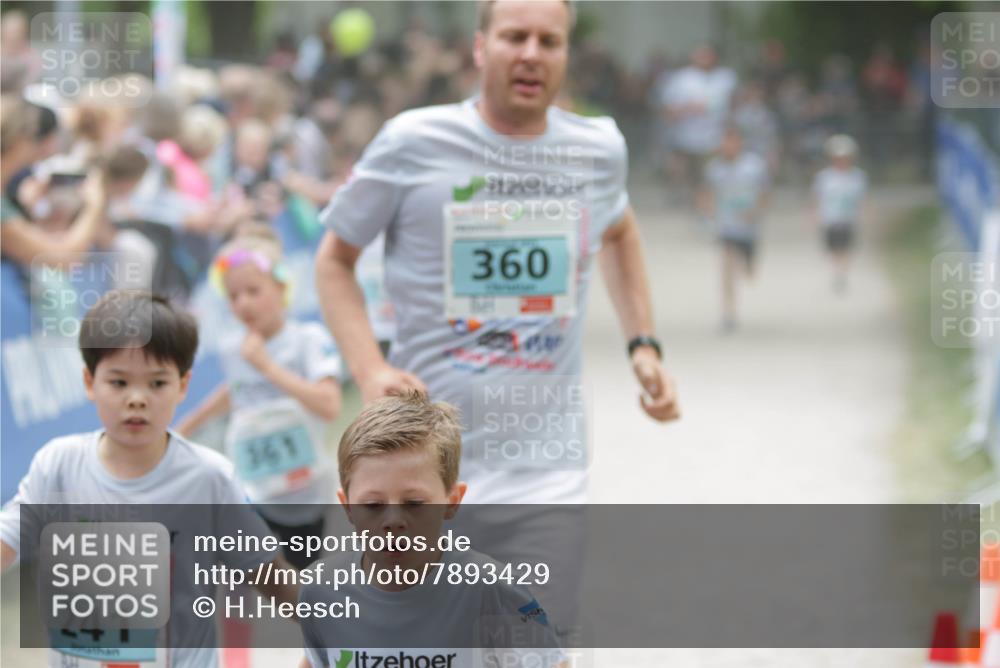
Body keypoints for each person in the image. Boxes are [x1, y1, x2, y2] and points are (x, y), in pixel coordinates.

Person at [314, 0, 678, 637]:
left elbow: (619, 230)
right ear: (481, 47)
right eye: (515, 37)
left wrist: (642, 343)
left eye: (549, 40)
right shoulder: (412, 143)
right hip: (423, 473)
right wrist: (369, 367)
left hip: (546, 471)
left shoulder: (597, 149)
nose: (532, 53)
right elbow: (334, 260)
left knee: (540, 644)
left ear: (567, 54)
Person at [0, 290, 297, 666]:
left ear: (183, 386)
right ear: (90, 382)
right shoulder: (57, 465)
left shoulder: (209, 477)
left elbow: (268, 572)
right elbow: (7, 539)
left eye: (157, 383)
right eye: (119, 383)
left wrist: (337, 630)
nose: (137, 398)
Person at [300, 391, 566, 668]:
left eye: (414, 503)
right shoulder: (320, 589)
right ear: (347, 507)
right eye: (373, 504)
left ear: (452, 502)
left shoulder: (491, 587)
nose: (393, 520)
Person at [178, 225, 343, 569]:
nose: (243, 304)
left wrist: (268, 366)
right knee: (237, 573)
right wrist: (186, 426)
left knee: (304, 581)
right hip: (254, 489)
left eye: (253, 290)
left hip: (303, 491)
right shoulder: (234, 348)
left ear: (282, 288)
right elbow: (237, 389)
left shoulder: (307, 340)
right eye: (234, 296)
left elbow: (329, 405)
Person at [699, 125, 770, 333]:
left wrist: (755, 211)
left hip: (749, 228)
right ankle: (729, 313)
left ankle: (747, 265)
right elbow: (706, 193)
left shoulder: (754, 166)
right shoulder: (714, 168)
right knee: (727, 267)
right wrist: (708, 212)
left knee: (748, 271)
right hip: (726, 226)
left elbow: (765, 193)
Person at [660, 44, 738, 203]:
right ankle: (691, 203)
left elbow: (735, 105)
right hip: (686, 138)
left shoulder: (725, 78)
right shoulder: (681, 78)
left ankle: (710, 204)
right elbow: (667, 110)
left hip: (715, 138)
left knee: (712, 175)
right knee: (689, 176)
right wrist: (688, 109)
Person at [811, 134, 867, 293]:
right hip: (830, 219)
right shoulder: (824, 177)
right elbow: (817, 197)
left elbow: (862, 198)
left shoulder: (858, 177)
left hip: (849, 219)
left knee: (846, 248)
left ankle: (842, 273)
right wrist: (815, 214)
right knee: (834, 248)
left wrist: (865, 213)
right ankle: (837, 271)